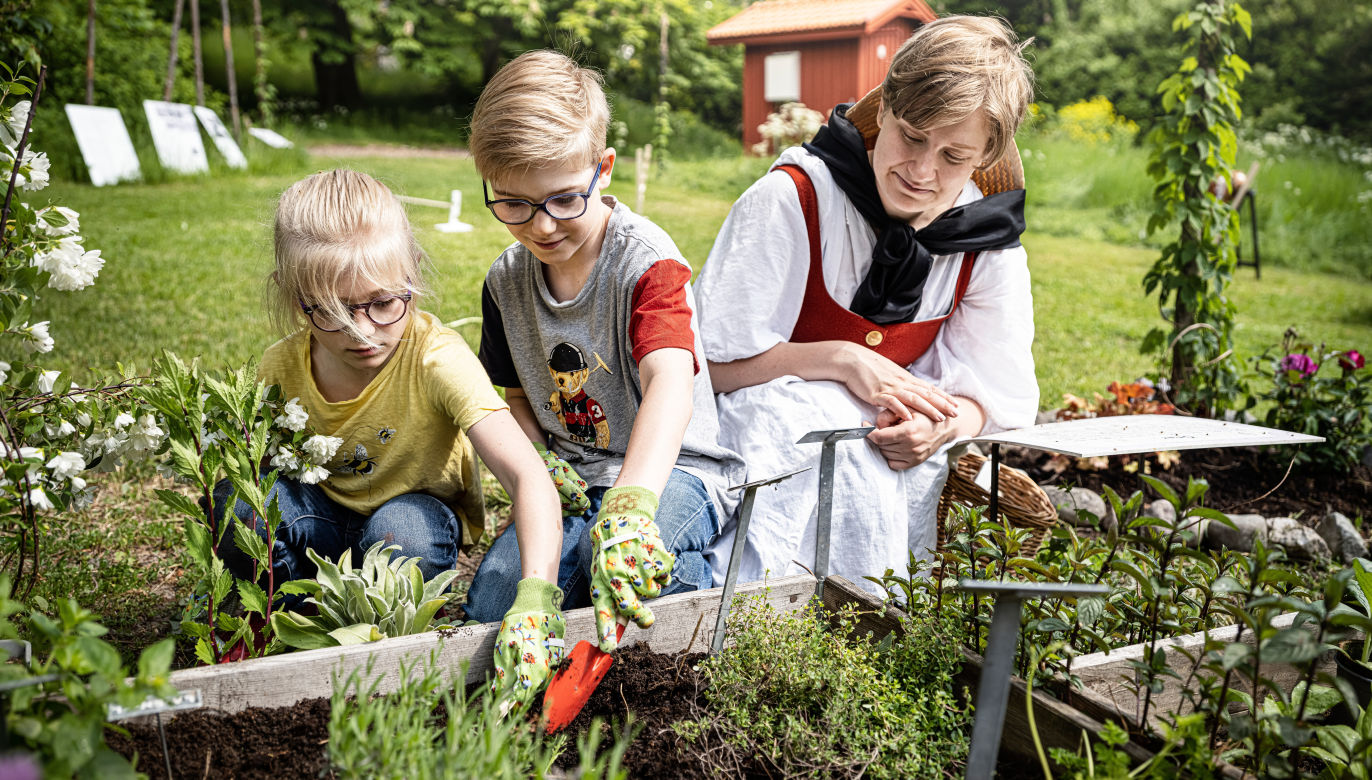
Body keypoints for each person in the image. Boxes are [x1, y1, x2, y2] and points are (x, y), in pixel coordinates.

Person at [695, 16, 1039, 592]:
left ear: (985, 156)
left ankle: (875, 621)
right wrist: (836, 359)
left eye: (954, 156)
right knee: (809, 425)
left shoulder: (986, 247)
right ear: (884, 111)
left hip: (890, 466)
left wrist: (944, 426)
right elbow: (706, 371)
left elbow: (994, 398)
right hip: (770, 454)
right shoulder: (795, 199)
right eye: (911, 134)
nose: (922, 172)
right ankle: (757, 610)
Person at [212, 169, 566, 705]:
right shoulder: (280, 367)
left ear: (412, 275)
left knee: (403, 534)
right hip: (322, 524)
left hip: (411, 523)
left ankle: (374, 633)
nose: (363, 331)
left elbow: (527, 476)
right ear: (294, 296)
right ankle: (282, 613)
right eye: (331, 311)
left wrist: (536, 595)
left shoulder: (434, 358)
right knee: (237, 503)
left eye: (383, 304)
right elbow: (255, 474)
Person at [463, 50, 744, 652]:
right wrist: (541, 465)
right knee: (492, 604)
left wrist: (633, 502)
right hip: (569, 476)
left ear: (604, 168)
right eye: (513, 203)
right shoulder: (504, 281)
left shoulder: (647, 263)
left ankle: (697, 593)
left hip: (672, 472)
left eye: (564, 199)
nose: (540, 227)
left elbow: (670, 380)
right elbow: (515, 397)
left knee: (624, 578)